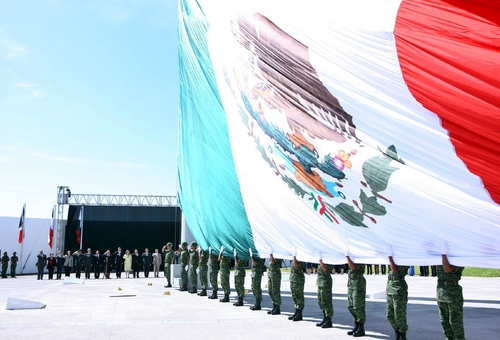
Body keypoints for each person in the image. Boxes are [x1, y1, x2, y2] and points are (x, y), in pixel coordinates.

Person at [437, 242, 465, 340]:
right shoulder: (441, 257)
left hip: (453, 294)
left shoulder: (458, 259)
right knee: (444, 321)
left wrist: (443, 254)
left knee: (455, 323)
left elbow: (447, 269)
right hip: (441, 292)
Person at [387, 246, 409, 340]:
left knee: (399, 315)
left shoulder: (404, 258)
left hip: (399, 287)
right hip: (390, 286)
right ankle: (397, 331)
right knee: (389, 314)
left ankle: (402, 335)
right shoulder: (394, 255)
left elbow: (395, 271)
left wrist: (390, 257)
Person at [346, 251, 366, 337]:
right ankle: (356, 325)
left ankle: (361, 328)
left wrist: (347, 256)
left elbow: (353, 268)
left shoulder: (360, 256)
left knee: (358, 306)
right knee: (350, 305)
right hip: (351, 282)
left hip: (358, 283)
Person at [316, 257, 334, 328]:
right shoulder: (323, 257)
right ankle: (325, 318)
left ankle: (329, 320)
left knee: (326, 300)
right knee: (321, 300)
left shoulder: (329, 259)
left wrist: (320, 260)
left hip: (325, 281)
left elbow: (325, 269)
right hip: (320, 281)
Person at [289, 251, 305, 321]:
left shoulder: (302, 256)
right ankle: (296, 311)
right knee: (294, 295)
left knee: (299, 295)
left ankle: (299, 313)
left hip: (298, 277)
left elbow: (296, 265)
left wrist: (294, 256)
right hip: (293, 277)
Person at [267, 251, 282, 315]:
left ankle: (277, 308)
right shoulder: (274, 253)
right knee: (270, 291)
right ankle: (274, 306)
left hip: (275, 274)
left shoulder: (279, 255)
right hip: (270, 274)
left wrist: (270, 253)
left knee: (275, 291)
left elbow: (273, 262)